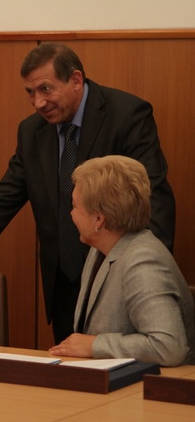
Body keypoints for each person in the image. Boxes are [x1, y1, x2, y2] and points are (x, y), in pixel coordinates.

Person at [0, 42, 175, 344]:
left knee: (121, 361)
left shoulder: (126, 115)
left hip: (117, 276)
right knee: (70, 359)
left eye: (45, 89)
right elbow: (3, 197)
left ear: (76, 80)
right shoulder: (31, 131)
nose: (38, 102)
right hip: (64, 281)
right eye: (30, 92)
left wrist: (148, 268)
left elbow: (152, 196)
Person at [49, 156, 193, 366]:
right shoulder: (99, 248)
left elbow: (168, 347)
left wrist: (96, 345)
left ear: (98, 219)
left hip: (156, 383)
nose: (71, 214)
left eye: (74, 206)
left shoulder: (143, 261)